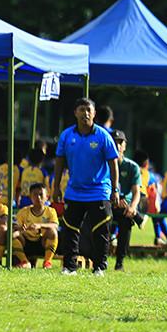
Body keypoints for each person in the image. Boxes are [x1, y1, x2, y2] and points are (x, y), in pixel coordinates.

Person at [52, 97, 120, 276]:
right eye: (82, 110)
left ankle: (99, 268)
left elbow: (114, 164)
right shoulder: (67, 135)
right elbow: (59, 162)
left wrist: (115, 190)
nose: (86, 113)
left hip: (99, 191)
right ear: (75, 113)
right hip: (74, 191)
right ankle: (69, 267)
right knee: (70, 230)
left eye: (89, 110)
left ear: (95, 114)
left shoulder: (103, 136)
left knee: (101, 231)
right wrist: (56, 187)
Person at [110, 130, 144, 271]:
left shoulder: (132, 167)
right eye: (114, 142)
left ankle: (120, 261)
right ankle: (98, 258)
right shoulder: (103, 165)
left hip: (126, 205)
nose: (118, 146)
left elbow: (137, 192)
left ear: (125, 146)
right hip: (108, 203)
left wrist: (133, 207)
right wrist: (114, 201)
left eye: (120, 143)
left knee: (126, 219)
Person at [12, 182, 58, 269]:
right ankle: (24, 262)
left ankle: (47, 262)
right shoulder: (24, 211)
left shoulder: (51, 211)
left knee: (53, 231)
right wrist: (20, 228)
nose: (38, 197)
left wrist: (40, 225)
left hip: (42, 242)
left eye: (41, 194)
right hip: (26, 242)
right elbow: (14, 225)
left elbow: (55, 226)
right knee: (13, 233)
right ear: (30, 197)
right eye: (35, 195)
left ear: (47, 197)